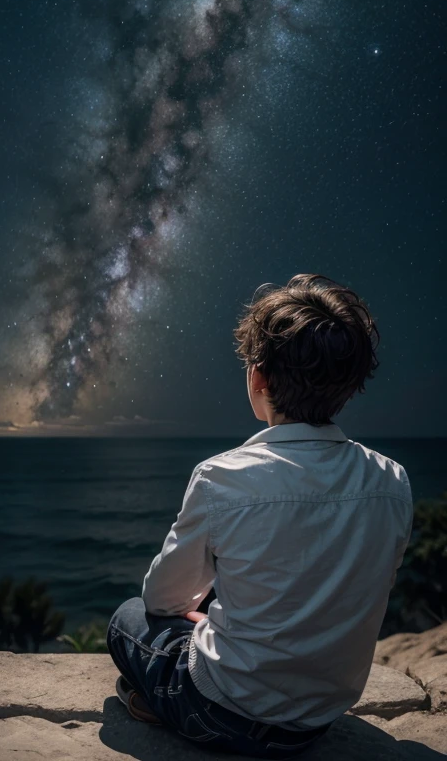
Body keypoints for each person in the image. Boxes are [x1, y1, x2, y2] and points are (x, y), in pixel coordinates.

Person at [106, 274, 413, 758]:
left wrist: (197, 616)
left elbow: (161, 599)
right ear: (351, 388)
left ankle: (167, 707)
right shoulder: (392, 481)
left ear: (258, 377)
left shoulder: (222, 477)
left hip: (222, 712)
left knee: (127, 619)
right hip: (317, 720)